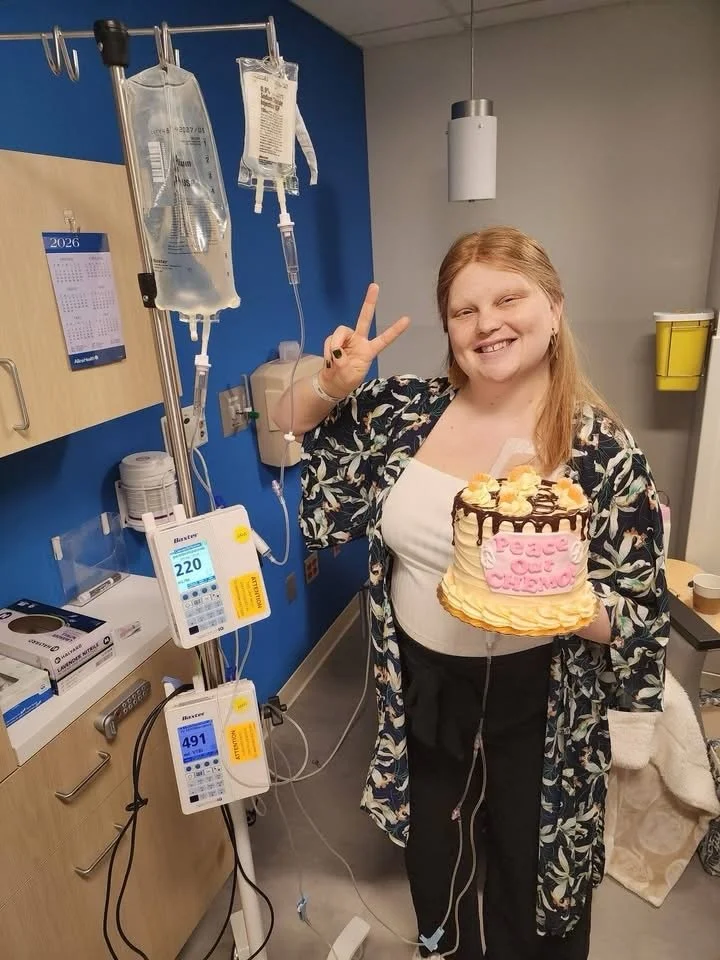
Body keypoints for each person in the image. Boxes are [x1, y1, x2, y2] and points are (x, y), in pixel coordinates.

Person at [273, 226, 669, 960]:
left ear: (554, 307)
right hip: (424, 687)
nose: (487, 323)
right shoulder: (404, 413)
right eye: (464, 310)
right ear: (449, 329)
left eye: (508, 298)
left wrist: (560, 596)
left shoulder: (605, 453)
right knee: (437, 859)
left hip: (543, 697)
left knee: (528, 871)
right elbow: (285, 422)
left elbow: (640, 618)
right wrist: (332, 383)